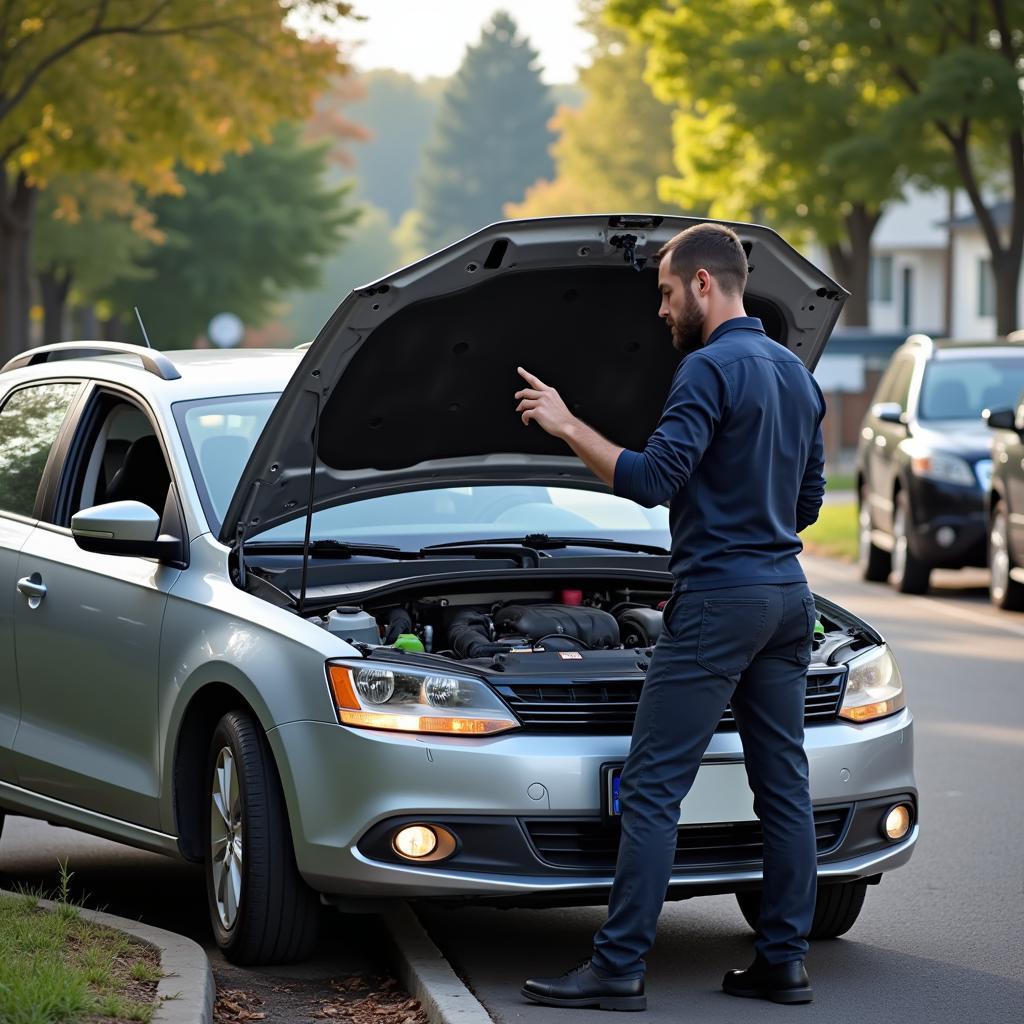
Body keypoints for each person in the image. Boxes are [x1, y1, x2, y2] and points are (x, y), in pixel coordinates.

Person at [514, 222, 826, 1009]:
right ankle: (783, 962)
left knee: (652, 787)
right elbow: (811, 502)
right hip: (788, 598)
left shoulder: (706, 369)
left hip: (720, 598)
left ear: (703, 285)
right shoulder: (795, 373)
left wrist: (566, 423)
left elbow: (652, 479)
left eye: (663, 291)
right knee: (784, 786)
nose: (659, 310)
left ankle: (618, 967)